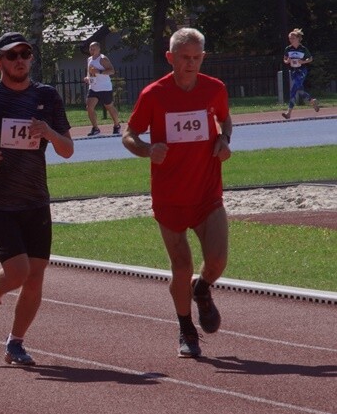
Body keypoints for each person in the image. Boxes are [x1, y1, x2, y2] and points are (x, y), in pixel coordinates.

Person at [0, 32, 74, 366]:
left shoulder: (47, 96)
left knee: (36, 276)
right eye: (12, 55)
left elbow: (67, 149)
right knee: (18, 271)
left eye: (25, 53)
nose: (20, 59)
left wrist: (48, 131)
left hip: (36, 199)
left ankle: (15, 343)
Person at [122, 27, 233, 358]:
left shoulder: (215, 89)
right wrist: (145, 149)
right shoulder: (154, 94)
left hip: (207, 192)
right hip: (170, 196)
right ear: (170, 58)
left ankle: (202, 289)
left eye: (197, 58)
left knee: (217, 260)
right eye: (185, 58)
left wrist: (225, 140)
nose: (191, 63)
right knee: (181, 266)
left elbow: (225, 122)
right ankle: (186, 328)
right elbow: (129, 134)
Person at [83, 41, 121, 135]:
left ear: (99, 49)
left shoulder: (103, 59)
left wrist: (99, 71)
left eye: (94, 49)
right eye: (90, 49)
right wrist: (88, 78)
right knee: (89, 107)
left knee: (109, 107)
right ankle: (95, 128)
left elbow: (111, 71)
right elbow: (90, 72)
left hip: (105, 88)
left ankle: (117, 125)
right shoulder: (89, 59)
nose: (91, 51)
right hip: (93, 88)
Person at [281, 28, 320, 119]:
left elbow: (310, 59)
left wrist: (302, 62)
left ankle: (288, 113)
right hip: (294, 71)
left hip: (302, 71)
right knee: (300, 91)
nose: (291, 40)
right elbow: (285, 59)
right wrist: (287, 61)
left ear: (298, 38)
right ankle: (312, 101)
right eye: (290, 38)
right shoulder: (288, 49)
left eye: (293, 38)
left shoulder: (303, 49)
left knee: (293, 90)